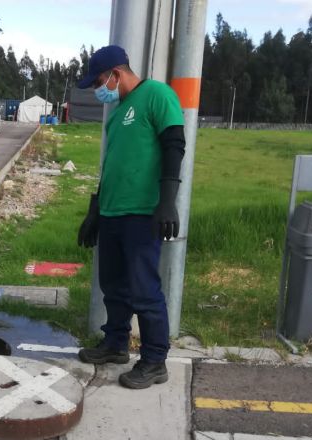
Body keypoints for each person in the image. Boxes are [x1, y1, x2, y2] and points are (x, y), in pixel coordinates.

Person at [75, 44, 185, 389]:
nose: (98, 90)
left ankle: (154, 360)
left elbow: (174, 144)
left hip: (141, 212)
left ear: (116, 74)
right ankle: (116, 343)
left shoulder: (156, 95)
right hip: (112, 212)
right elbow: (112, 164)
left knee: (144, 290)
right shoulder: (119, 111)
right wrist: (95, 210)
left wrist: (167, 201)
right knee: (113, 285)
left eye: (99, 82)